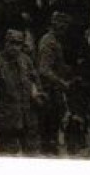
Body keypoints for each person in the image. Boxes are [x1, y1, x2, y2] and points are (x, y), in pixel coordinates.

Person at [0, 29, 43, 156]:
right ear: (6, 43)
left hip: (27, 116)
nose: (15, 47)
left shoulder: (26, 60)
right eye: (12, 43)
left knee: (32, 154)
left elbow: (35, 78)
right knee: (8, 155)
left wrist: (35, 90)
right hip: (7, 118)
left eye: (19, 44)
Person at [34, 11, 75, 155]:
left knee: (53, 124)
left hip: (52, 88)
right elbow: (44, 69)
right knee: (49, 124)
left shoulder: (54, 40)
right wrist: (61, 82)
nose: (65, 30)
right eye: (63, 26)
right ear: (56, 25)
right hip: (48, 90)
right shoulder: (49, 42)